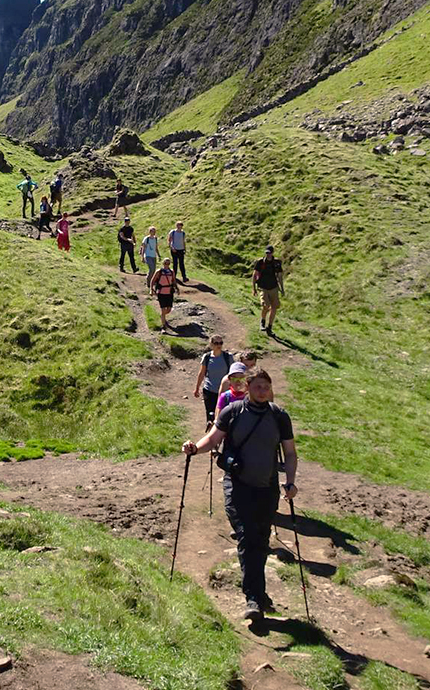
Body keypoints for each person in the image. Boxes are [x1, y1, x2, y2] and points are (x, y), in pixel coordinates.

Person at [184, 369, 297, 621]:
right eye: (257, 386)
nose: (262, 391)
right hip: (237, 485)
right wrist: (194, 448)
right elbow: (213, 440)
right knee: (247, 538)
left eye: (266, 387)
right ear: (247, 386)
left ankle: (259, 593)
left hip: (267, 488)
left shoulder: (279, 417)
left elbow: (289, 453)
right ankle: (253, 599)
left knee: (260, 540)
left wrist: (290, 482)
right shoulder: (232, 412)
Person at [192, 334, 233, 426]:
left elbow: (232, 374)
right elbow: (202, 373)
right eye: (216, 343)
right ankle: (211, 434)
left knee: (223, 415)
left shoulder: (228, 357)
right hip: (209, 390)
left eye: (221, 343)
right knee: (210, 414)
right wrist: (197, 388)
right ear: (211, 344)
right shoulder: (207, 357)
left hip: (224, 391)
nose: (219, 345)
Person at [253, 245, 285, 335]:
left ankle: (269, 327)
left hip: (274, 287)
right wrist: (254, 289)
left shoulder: (277, 263)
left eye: (269, 253)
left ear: (272, 253)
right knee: (265, 305)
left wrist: (282, 289)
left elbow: (280, 277)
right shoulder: (260, 262)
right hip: (263, 287)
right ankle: (262, 321)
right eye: (267, 253)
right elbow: (254, 275)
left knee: (274, 308)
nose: (268, 255)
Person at [151, 258, 178, 329]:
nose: (167, 265)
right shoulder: (159, 271)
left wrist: (177, 288)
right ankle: (163, 326)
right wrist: (151, 290)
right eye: (166, 263)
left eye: (168, 263)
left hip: (169, 293)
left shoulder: (171, 272)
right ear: (163, 263)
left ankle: (162, 316)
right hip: (161, 293)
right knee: (163, 309)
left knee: (169, 309)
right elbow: (152, 281)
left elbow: (174, 281)